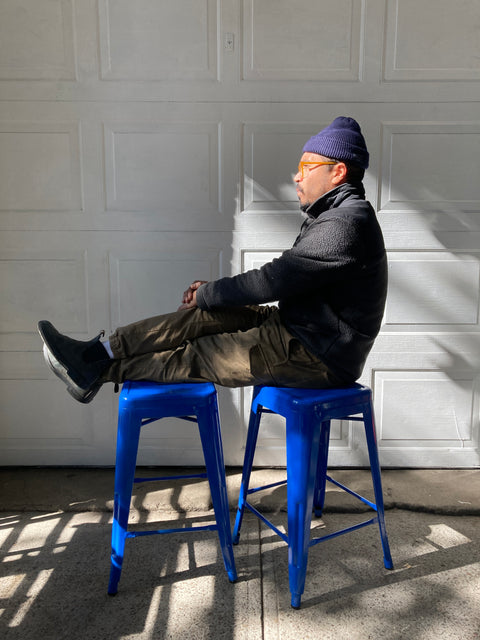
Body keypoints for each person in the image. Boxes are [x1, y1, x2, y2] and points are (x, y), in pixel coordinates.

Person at [38, 116, 387, 404]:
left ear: (337, 172)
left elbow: (273, 280)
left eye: (307, 167)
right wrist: (209, 296)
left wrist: (210, 291)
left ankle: (97, 371)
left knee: (201, 352)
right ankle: (96, 353)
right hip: (296, 329)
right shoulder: (333, 216)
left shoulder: (346, 225)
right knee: (201, 318)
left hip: (317, 356)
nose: (297, 176)